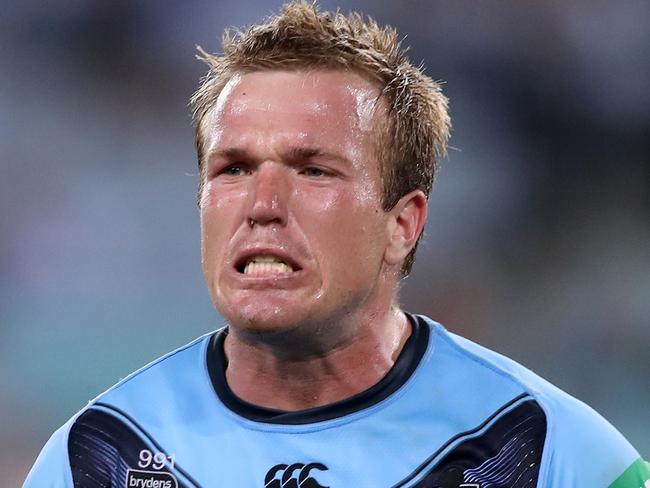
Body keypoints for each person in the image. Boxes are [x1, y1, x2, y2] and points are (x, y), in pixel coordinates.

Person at [25, 2, 648, 487]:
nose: (262, 206)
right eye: (233, 169)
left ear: (403, 225)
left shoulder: (541, 448)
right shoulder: (99, 453)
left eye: (314, 170)